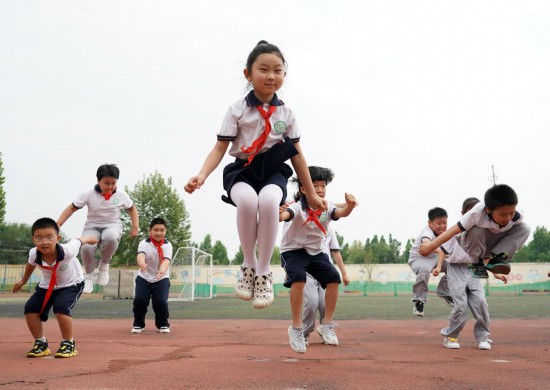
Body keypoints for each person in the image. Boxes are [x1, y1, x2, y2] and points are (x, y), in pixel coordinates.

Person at [184, 41, 325, 309]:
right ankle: (248, 265)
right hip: (242, 170)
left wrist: (311, 194)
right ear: (249, 74)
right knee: (249, 202)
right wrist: (201, 175)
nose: (271, 76)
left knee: (269, 202)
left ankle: (263, 273)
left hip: (273, 170)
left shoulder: (287, 114)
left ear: (284, 75)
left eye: (278, 70)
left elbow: (298, 156)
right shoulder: (237, 110)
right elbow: (219, 148)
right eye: (263, 69)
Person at [279, 166, 356, 353]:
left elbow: (340, 213)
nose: (320, 190)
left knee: (333, 279)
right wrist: (278, 213)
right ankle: (297, 329)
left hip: (315, 252)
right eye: (315, 186)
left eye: (323, 186)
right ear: (304, 189)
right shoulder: (297, 207)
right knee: (298, 279)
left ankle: (326, 324)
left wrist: (350, 206)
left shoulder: (327, 206)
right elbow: (285, 215)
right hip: (293, 251)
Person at [12, 217, 98, 358]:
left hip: (72, 283)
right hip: (47, 285)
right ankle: (41, 343)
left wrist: (91, 238)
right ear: (33, 240)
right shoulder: (34, 253)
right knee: (30, 309)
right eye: (39, 238)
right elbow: (30, 264)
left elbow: (79, 240)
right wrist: (23, 280)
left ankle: (68, 344)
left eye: (49, 237)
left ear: (57, 238)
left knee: (61, 309)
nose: (44, 242)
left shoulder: (68, 250)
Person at [432, 197, 509, 350]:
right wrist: (438, 266)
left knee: (480, 302)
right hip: (456, 269)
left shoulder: (484, 234)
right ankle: (451, 336)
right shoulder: (456, 232)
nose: (475, 217)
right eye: (470, 213)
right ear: (463, 214)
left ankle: (483, 337)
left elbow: (486, 258)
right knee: (460, 305)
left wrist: (496, 273)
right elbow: (443, 250)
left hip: (474, 269)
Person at [57, 164, 139, 293]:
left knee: (110, 237)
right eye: (106, 183)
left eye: (113, 183)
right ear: (98, 181)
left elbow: (132, 209)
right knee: (86, 247)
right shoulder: (88, 194)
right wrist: (58, 224)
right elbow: (72, 208)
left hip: (112, 224)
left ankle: (104, 265)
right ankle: (89, 274)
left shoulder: (121, 194)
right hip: (92, 226)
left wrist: (135, 227)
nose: (110, 186)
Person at [420, 184, 530, 279]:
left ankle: (498, 257)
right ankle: (477, 263)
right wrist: (431, 246)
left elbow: (517, 233)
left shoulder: (517, 216)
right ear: (488, 209)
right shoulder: (476, 214)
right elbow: (453, 230)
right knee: (477, 230)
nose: (507, 218)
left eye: (511, 213)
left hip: (494, 243)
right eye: (502, 215)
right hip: (473, 243)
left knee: (524, 228)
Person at [302, 224, 350, 346]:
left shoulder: (328, 228)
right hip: (307, 271)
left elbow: (335, 251)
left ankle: (326, 329)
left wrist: (344, 273)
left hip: (325, 271)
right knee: (312, 302)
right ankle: (304, 333)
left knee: (325, 304)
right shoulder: (301, 224)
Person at [408, 207, 452, 317]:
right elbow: (427, 244)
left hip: (435, 258)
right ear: (430, 223)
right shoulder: (427, 232)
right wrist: (443, 252)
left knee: (454, 266)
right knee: (424, 270)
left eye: (445, 223)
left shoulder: (446, 233)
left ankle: (444, 291)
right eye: (439, 223)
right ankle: (419, 300)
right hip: (419, 258)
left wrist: (441, 262)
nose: (442, 226)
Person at [131, 217, 173, 334]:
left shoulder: (167, 245)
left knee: (160, 302)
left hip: (161, 278)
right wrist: (142, 263)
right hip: (144, 277)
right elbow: (140, 255)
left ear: (165, 231)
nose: (159, 233)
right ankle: (138, 324)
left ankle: (163, 324)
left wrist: (161, 271)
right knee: (140, 300)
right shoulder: (144, 243)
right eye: (156, 230)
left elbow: (166, 260)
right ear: (150, 231)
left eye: (161, 230)